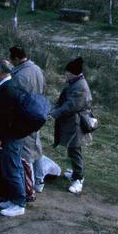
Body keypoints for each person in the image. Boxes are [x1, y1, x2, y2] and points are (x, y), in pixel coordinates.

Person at [0, 59, 28, 218]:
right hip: (13, 136)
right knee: (13, 166)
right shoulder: (10, 86)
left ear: (1, 72)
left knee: (12, 168)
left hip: (9, 137)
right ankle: (15, 199)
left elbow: (4, 119)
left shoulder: (6, 90)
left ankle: (19, 203)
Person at [8, 45, 47, 197]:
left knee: (26, 153)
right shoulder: (37, 69)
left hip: (25, 115)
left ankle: (28, 187)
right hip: (38, 111)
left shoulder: (19, 75)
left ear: (17, 59)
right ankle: (39, 181)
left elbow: (15, 99)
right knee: (37, 148)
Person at [51, 56, 93, 194]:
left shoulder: (80, 86)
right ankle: (76, 173)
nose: (65, 75)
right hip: (72, 123)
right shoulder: (75, 82)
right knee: (73, 149)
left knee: (75, 151)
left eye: (66, 73)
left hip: (76, 124)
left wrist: (56, 112)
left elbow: (71, 106)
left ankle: (78, 179)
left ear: (72, 73)